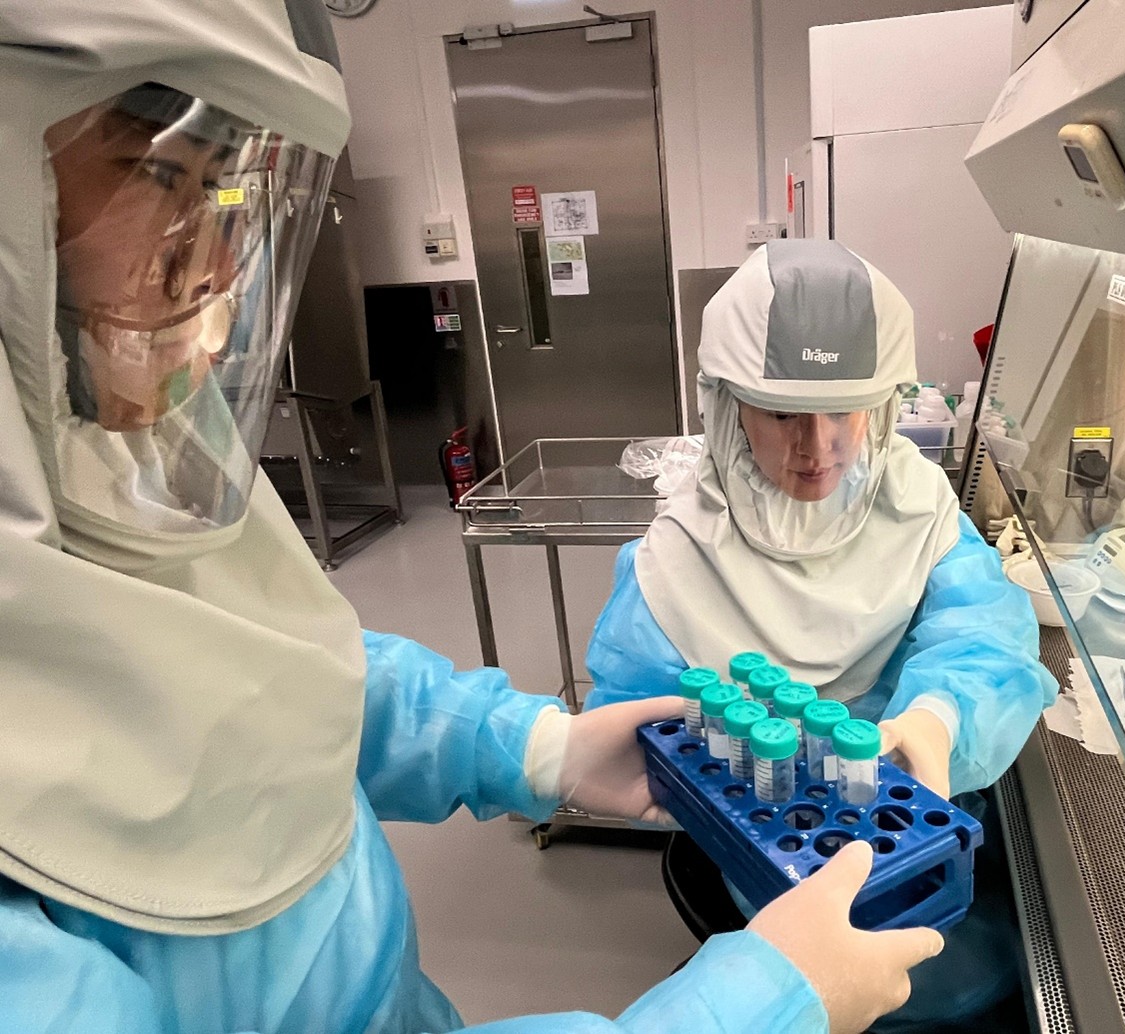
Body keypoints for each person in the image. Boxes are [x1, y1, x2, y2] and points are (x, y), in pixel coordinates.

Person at [0, 3, 945, 1031]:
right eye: (158, 175)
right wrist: (753, 1007)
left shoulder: (103, 467)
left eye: (227, 194)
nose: (217, 266)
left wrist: (530, 746)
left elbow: (269, 676)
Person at [585, 239, 1058, 1029]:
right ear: (724, 404)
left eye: (847, 409)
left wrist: (939, 718)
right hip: (776, 836)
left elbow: (982, 631)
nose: (820, 447)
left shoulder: (915, 502)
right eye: (782, 415)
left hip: (917, 813)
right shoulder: (677, 553)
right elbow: (644, 723)